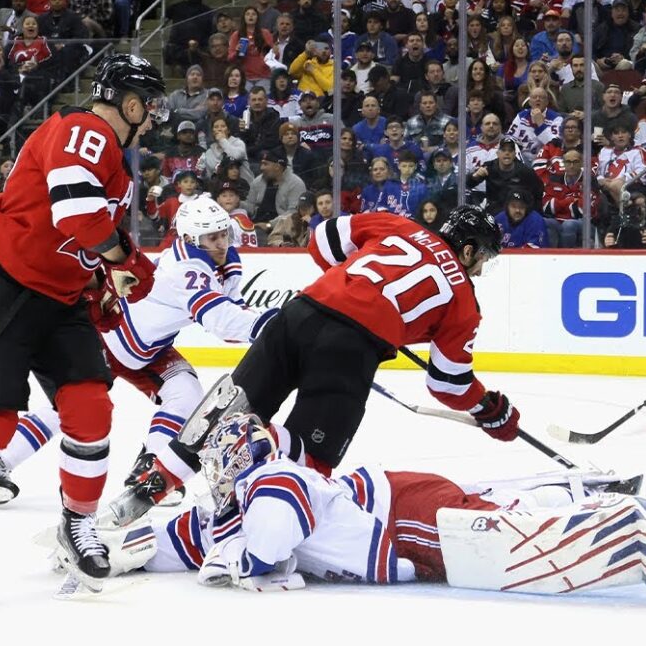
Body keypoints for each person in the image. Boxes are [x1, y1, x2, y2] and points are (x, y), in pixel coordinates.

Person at [109, 206, 522, 525]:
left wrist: (350, 287)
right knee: (310, 462)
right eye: (483, 258)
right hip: (349, 351)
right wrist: (490, 408)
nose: (482, 269)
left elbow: (321, 241)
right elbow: (448, 383)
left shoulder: (397, 225)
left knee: (228, 405)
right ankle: (254, 484)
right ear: (467, 249)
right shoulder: (464, 298)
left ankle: (140, 494)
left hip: (299, 312)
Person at [0, 53, 167, 605]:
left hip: (59, 296)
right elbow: (79, 218)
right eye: (150, 107)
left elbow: (76, 240)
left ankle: (76, 524)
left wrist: (99, 285)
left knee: (90, 407)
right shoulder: (85, 130)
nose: (152, 119)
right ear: (130, 104)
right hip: (3, 285)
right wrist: (123, 258)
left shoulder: (110, 155)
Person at [89, 411, 646, 596]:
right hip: (395, 501)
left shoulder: (273, 479)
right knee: (481, 508)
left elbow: (272, 541)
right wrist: (107, 552)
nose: (214, 476)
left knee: (500, 546)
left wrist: (243, 565)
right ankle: (585, 492)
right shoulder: (232, 507)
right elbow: (176, 542)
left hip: (398, 521)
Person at [0, 198, 278, 505]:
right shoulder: (186, 268)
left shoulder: (225, 260)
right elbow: (219, 319)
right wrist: (269, 325)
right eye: (211, 238)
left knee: (186, 392)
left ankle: (150, 468)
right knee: (71, 406)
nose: (220, 243)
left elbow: (233, 310)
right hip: (109, 336)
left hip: (147, 349)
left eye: (222, 234)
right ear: (190, 239)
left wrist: (260, 322)